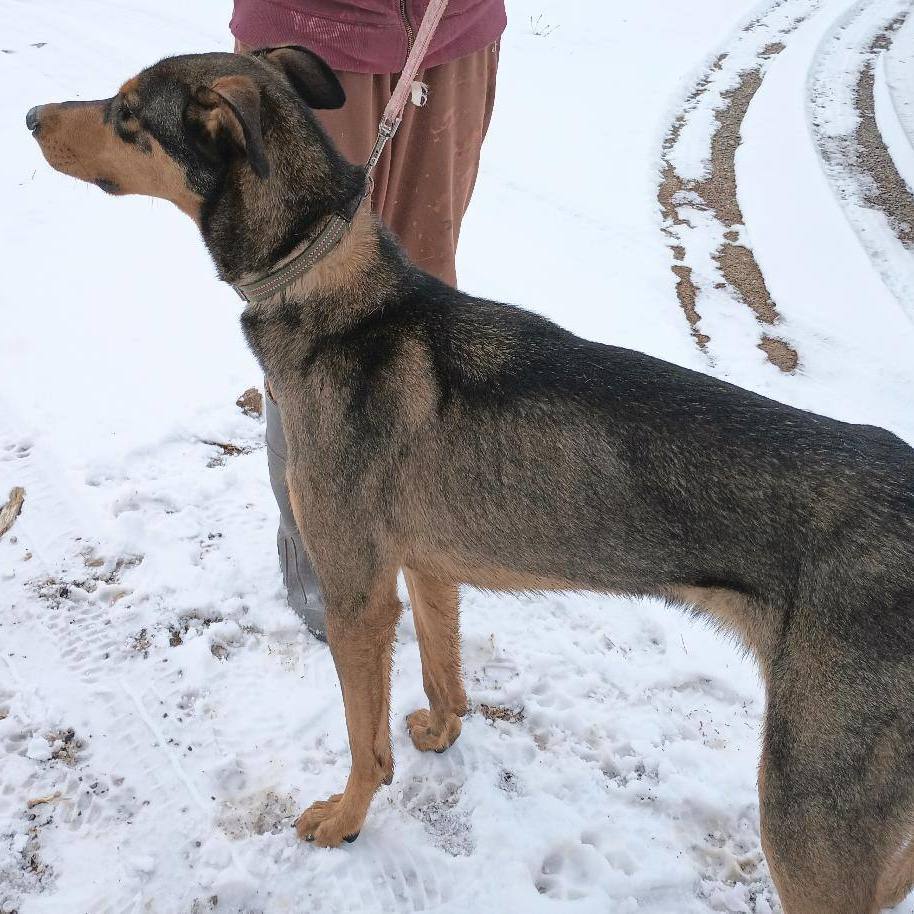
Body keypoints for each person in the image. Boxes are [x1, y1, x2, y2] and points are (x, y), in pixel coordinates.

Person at [231, 0, 506, 637]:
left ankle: (418, 531)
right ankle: (325, 559)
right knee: (307, 318)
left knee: (421, 298)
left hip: (451, 27)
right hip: (307, 35)